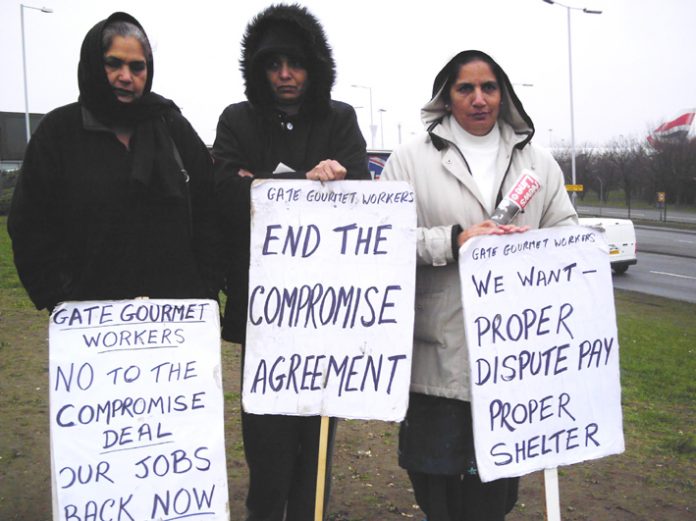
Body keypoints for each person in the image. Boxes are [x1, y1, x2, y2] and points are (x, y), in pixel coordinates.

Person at [381, 50, 578, 521]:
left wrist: (530, 251)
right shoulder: (409, 160)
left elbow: (568, 238)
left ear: (503, 94)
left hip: (514, 361)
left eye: (488, 87)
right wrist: (455, 240)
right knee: (438, 494)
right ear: (446, 98)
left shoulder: (539, 164)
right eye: (465, 88)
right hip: (437, 360)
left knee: (494, 500)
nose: (478, 99)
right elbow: (383, 242)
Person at [212, 4, 370, 521]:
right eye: (273, 63)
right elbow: (221, 198)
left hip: (327, 315)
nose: (284, 74)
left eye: (295, 63)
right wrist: (303, 182)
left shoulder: (340, 119)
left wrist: (261, 183)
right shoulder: (236, 119)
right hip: (263, 316)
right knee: (265, 447)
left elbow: (362, 201)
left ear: (314, 65)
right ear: (257, 69)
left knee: (316, 448)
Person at [8, 12, 221, 310]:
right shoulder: (59, 132)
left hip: (176, 324)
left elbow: (209, 210)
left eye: (137, 67)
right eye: (114, 63)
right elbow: (30, 223)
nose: (126, 76)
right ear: (94, 64)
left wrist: (205, 286)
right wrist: (58, 296)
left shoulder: (172, 126)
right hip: (91, 324)